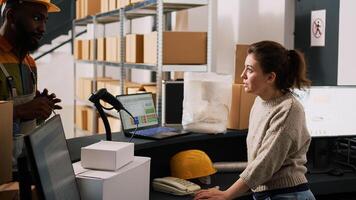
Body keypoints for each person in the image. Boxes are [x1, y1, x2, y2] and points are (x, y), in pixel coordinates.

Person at [194, 41, 315, 200]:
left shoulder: (289, 109)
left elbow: (265, 163)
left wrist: (227, 195)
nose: (242, 75)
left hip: (289, 194)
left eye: (249, 70)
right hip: (265, 193)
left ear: (270, 77)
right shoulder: (260, 102)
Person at [0, 0, 62, 165]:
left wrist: (40, 110)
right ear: (11, 16)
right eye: (36, 18)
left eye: (44, 20)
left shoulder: (29, 63)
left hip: (22, 165)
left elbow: (23, 123)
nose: (43, 28)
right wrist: (20, 111)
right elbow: (20, 113)